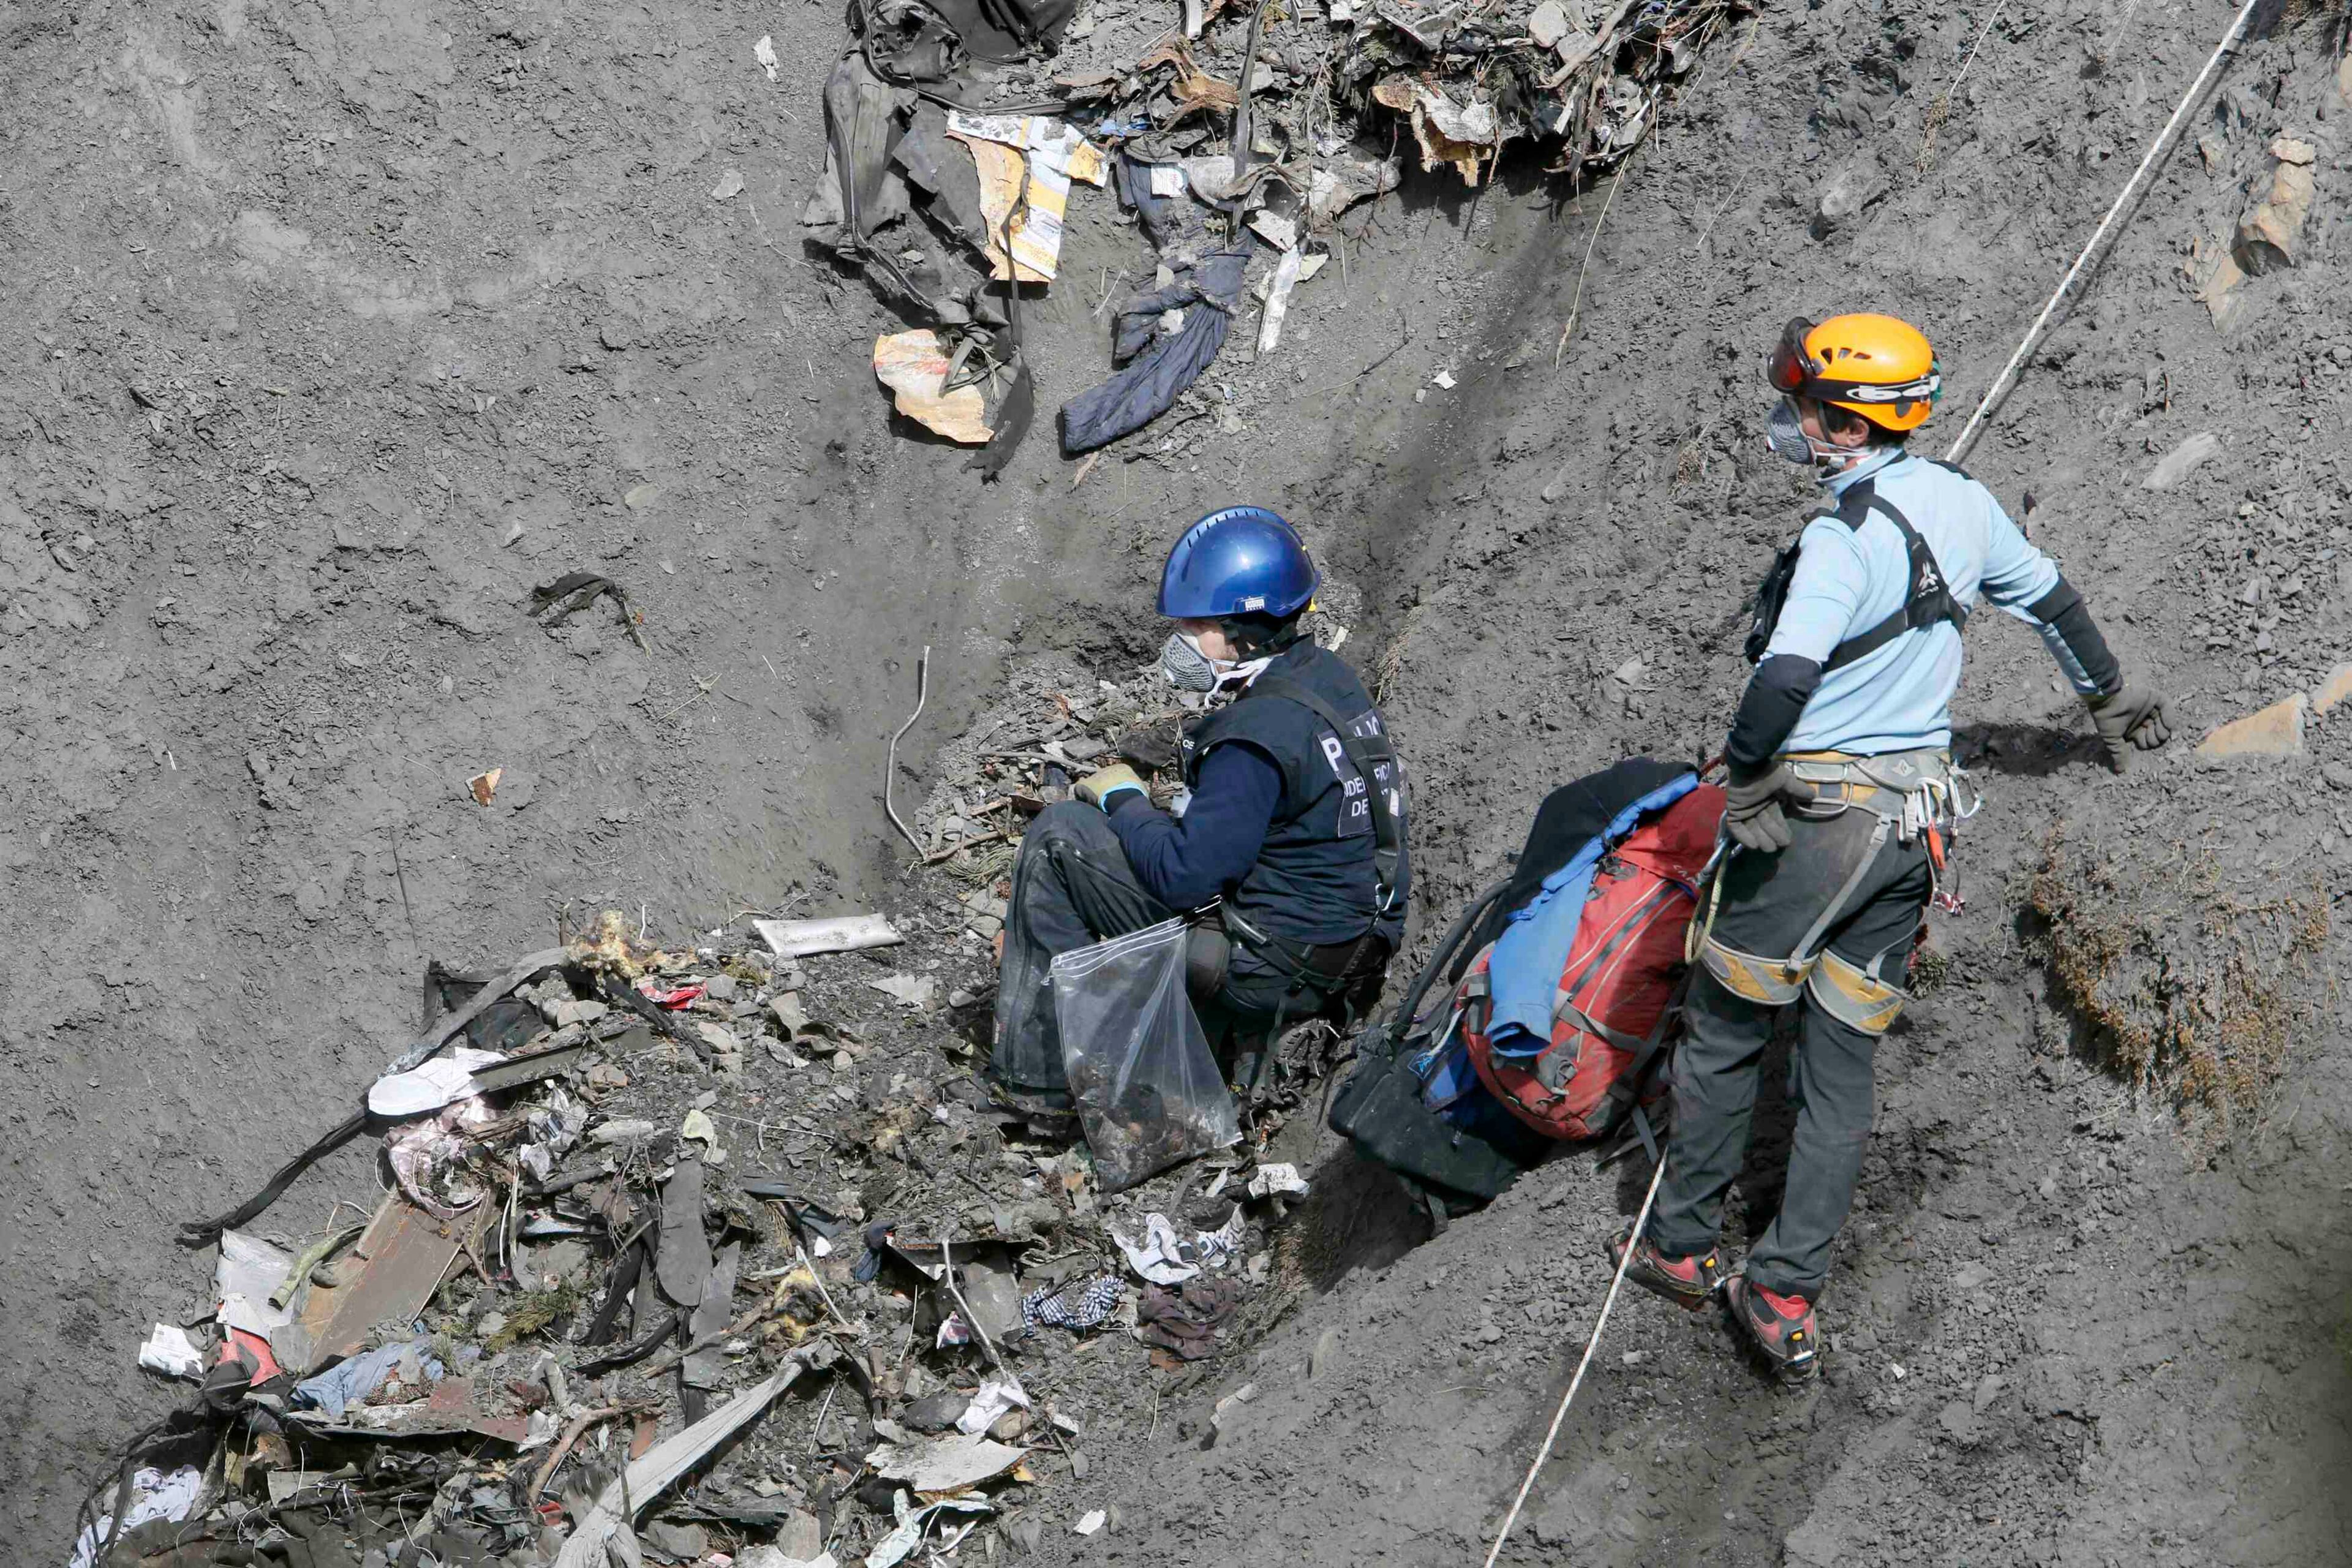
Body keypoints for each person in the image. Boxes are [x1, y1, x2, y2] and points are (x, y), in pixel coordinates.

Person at [1614, 313, 2174, 1377]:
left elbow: (1783, 677)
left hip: (1819, 825)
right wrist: (2107, 696)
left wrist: (1744, 775)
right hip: (1913, 833)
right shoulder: (1962, 503)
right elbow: (2048, 597)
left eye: (1804, 408)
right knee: (1841, 1065)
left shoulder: (1841, 536)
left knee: (1728, 1028)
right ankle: (1784, 1294)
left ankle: (1682, 1250)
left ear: (1842, 422)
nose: (1793, 422)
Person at [988, 506, 1410, 1119]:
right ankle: (1201, 1038)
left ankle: (1043, 1085)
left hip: (1273, 969)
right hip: (1350, 953)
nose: (1181, 635)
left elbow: (1184, 878)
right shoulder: (1327, 680)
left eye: (1196, 623)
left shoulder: (1254, 734)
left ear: (1245, 628)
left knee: (1061, 836)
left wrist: (1124, 800)